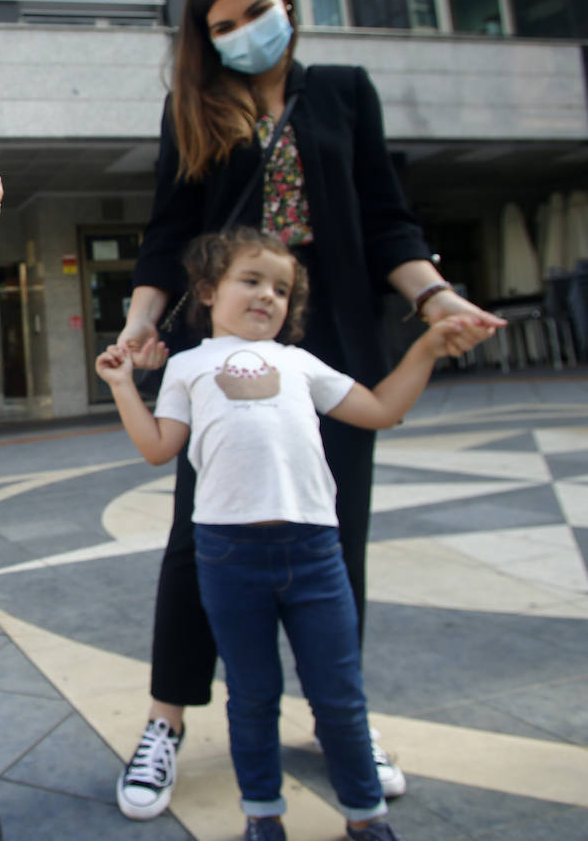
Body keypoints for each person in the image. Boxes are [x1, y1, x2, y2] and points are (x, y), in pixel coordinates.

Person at [113, 0, 505, 821]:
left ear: (287, 4)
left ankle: (342, 723)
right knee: (197, 538)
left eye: (258, 10)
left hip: (329, 334)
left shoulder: (344, 92)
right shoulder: (193, 109)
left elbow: (387, 216)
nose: (246, 33)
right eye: (223, 26)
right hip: (223, 342)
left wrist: (437, 299)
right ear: (203, 41)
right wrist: (144, 321)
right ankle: (165, 721)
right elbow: (168, 231)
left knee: (335, 534)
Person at [97, 227, 491, 841]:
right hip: (228, 556)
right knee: (252, 696)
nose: (267, 296)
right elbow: (157, 448)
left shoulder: (302, 363)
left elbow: (383, 410)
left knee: (340, 697)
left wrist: (426, 350)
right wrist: (123, 386)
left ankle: (366, 815)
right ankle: (262, 815)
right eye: (250, 281)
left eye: (280, 289)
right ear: (207, 290)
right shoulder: (187, 366)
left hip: (314, 555)